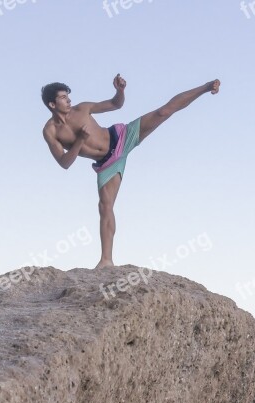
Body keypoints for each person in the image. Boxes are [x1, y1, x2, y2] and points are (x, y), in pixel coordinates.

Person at [42, 75, 221, 269]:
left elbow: (115, 104)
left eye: (68, 96)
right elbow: (64, 163)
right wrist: (79, 141)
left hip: (120, 138)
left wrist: (120, 91)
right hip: (107, 162)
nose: (68, 100)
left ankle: (205, 87)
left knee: (163, 112)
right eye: (63, 97)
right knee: (105, 207)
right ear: (52, 104)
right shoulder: (50, 131)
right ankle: (106, 261)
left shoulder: (82, 108)